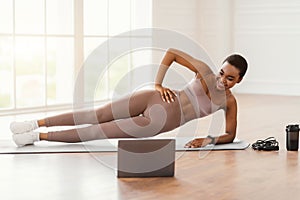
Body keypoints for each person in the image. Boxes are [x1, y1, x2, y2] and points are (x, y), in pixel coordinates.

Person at [10, 48, 248, 148]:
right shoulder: (204, 70)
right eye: (222, 73)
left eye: (230, 78)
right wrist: (157, 83)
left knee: (98, 130)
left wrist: (207, 140)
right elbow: (172, 53)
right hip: (152, 98)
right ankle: (34, 123)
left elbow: (231, 135)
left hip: (158, 122)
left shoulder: (228, 103)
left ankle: (35, 137)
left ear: (238, 81)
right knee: (97, 114)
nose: (222, 80)